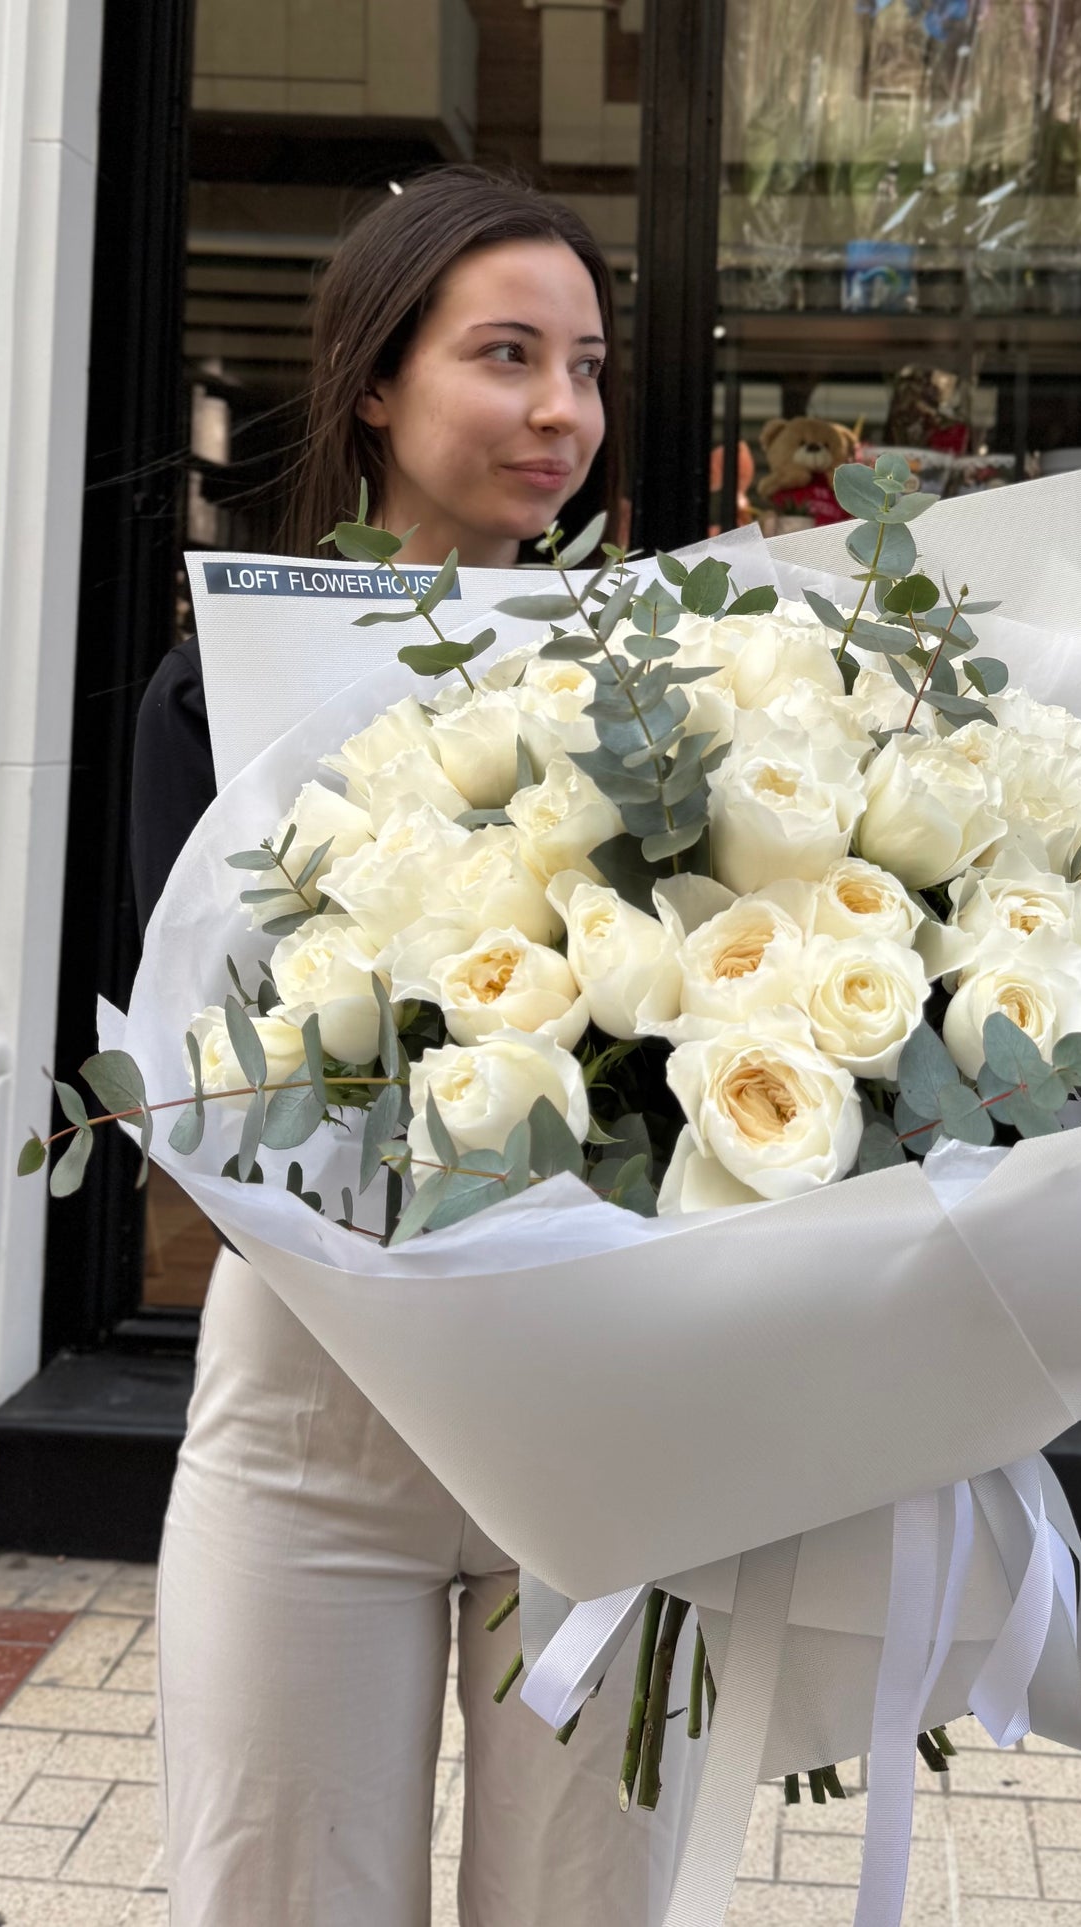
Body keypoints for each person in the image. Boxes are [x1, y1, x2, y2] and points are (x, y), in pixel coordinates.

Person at [132, 166, 695, 1927]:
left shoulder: (676, 688)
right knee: (278, 1889)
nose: (560, 412)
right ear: (376, 379)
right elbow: (187, 1078)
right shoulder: (218, 696)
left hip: (607, 1407)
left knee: (592, 1904)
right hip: (319, 1410)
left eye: (587, 365)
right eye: (506, 354)